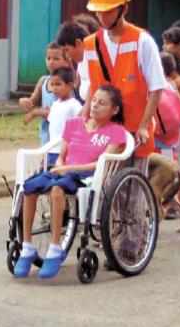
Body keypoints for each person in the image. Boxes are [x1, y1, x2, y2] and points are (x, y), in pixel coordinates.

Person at [14, 86, 127, 279]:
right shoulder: (74, 124)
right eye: (94, 101)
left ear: (114, 110)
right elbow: (62, 155)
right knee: (29, 188)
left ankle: (56, 248)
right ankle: (27, 247)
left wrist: (67, 169)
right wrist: (60, 165)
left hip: (88, 176)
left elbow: (103, 162)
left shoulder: (116, 132)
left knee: (57, 189)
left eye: (102, 103)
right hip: (64, 171)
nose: (95, 106)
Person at [81, 0, 167, 165]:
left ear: (124, 9)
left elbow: (157, 88)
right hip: (103, 133)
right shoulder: (90, 44)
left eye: (109, 12)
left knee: (132, 191)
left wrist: (144, 126)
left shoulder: (142, 41)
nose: (103, 17)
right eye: (99, 12)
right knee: (99, 188)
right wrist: (84, 116)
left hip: (134, 132)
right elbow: (90, 87)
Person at [157, 52, 180, 210]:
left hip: (169, 131)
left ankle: (172, 202)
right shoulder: (172, 84)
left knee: (171, 166)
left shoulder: (163, 85)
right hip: (176, 127)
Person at [19, 42, 70, 143]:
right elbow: (31, 102)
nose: (51, 62)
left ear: (66, 61)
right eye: (49, 58)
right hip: (45, 134)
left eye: (56, 59)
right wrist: (23, 101)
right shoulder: (43, 81)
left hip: (61, 136)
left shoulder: (67, 84)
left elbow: (59, 113)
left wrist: (36, 113)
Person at [45, 67, 84, 166]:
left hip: (65, 151)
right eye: (52, 85)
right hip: (51, 150)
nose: (54, 88)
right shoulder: (54, 104)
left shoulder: (74, 105)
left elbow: (80, 127)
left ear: (70, 85)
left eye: (58, 84)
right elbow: (51, 127)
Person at [56, 20, 92, 101]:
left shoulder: (91, 58)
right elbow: (76, 84)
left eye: (67, 50)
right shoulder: (80, 61)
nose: (67, 56)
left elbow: (94, 86)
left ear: (78, 43)